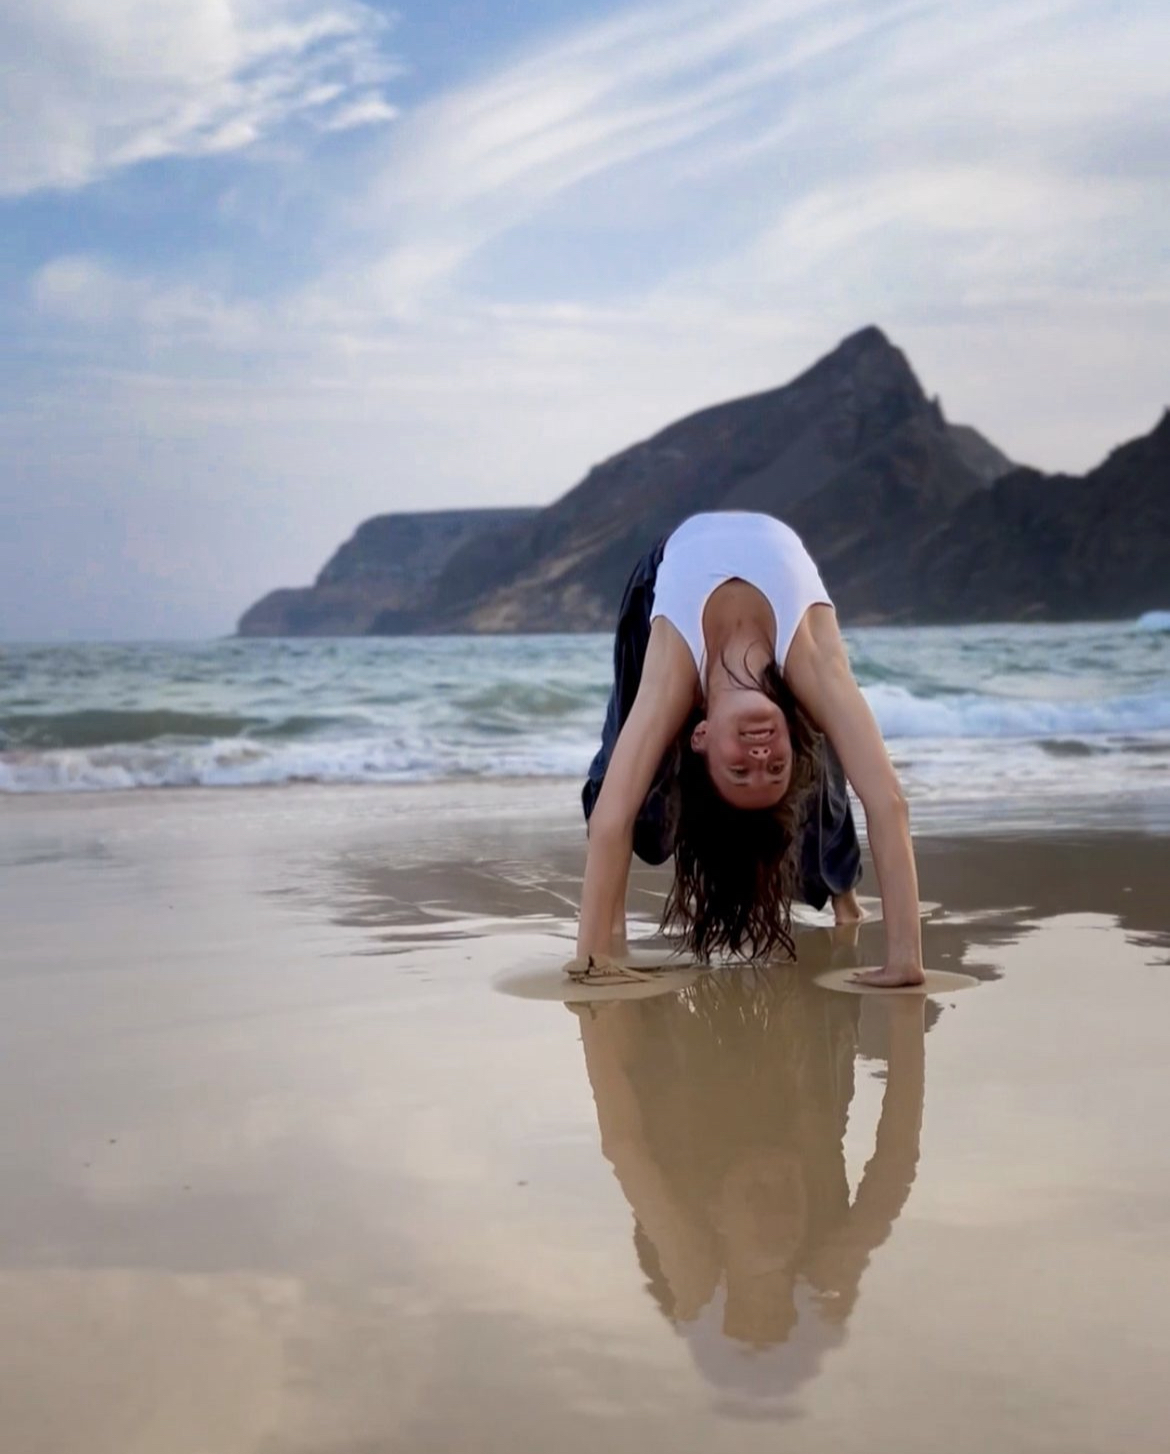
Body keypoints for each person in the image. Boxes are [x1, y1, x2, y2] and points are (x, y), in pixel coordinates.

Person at [574, 511, 925, 988]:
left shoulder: (673, 672)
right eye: (776, 766)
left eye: (738, 773)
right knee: (828, 748)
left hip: (665, 576)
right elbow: (888, 803)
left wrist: (594, 961)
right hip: (759, 561)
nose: (760, 759)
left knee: (625, 760)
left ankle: (608, 927)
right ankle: (844, 893)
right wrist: (906, 960)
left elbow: (611, 819)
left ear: (699, 736)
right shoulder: (811, 662)